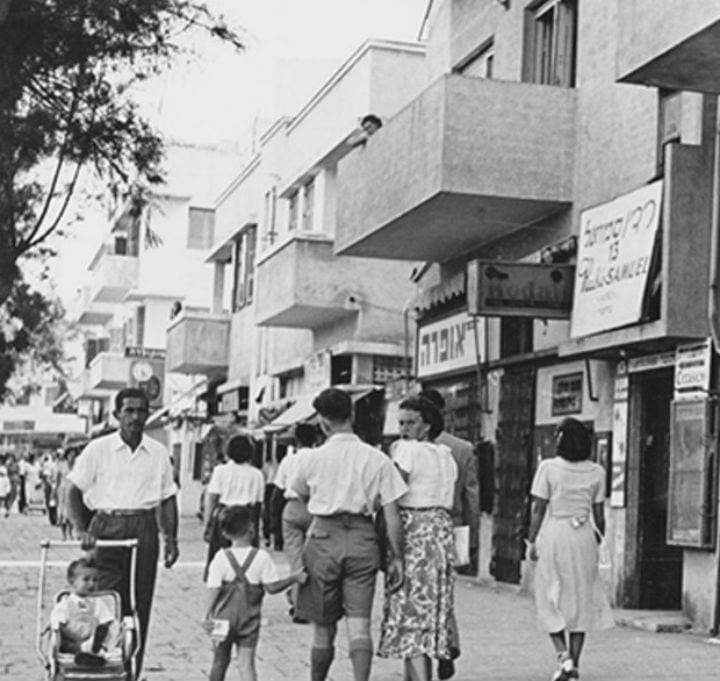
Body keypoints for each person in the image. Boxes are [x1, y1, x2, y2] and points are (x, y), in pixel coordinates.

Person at [288, 387, 407, 681]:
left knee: (323, 627)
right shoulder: (377, 458)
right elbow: (392, 515)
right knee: (360, 625)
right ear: (352, 415)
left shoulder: (309, 459)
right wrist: (397, 558)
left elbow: (299, 495)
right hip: (363, 539)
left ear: (323, 422)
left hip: (323, 539)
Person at [66, 386, 179, 676]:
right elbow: (73, 491)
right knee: (105, 601)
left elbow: (167, 499)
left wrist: (172, 539)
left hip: (143, 528)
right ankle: (100, 666)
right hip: (106, 528)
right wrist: (82, 530)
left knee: (139, 604)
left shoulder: (158, 453)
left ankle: (131, 671)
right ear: (117, 415)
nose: (135, 416)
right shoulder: (98, 449)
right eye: (128, 410)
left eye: (141, 410)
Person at [526, 417, 613, 681]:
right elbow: (600, 515)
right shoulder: (597, 471)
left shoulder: (548, 468)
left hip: (555, 533)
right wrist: (596, 540)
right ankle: (575, 665)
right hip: (584, 535)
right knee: (580, 601)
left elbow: (538, 508)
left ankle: (562, 656)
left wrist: (531, 542)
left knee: (549, 595)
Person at [378, 395, 458, 681]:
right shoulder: (445, 455)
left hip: (414, 532)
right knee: (431, 611)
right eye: (401, 422)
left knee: (409, 612)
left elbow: (391, 493)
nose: (404, 429)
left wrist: (394, 552)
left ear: (427, 425)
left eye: (410, 422)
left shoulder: (406, 451)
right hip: (440, 531)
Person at [203, 505, 306, 681]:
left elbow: (214, 589)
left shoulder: (220, 557)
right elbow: (272, 587)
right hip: (249, 619)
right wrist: (294, 578)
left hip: (222, 619)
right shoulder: (261, 558)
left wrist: (206, 615)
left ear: (225, 534)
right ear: (251, 528)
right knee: (247, 664)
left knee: (219, 662)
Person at [419, 389, 481, 678]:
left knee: (418, 593)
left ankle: (426, 650)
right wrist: (473, 537)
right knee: (444, 592)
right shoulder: (463, 448)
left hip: (416, 528)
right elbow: (472, 496)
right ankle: (448, 643)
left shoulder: (409, 447)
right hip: (452, 526)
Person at [203, 434, 265, 581]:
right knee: (246, 560)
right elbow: (258, 505)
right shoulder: (257, 474)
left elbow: (211, 499)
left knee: (221, 558)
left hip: (224, 517)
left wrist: (207, 524)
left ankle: (218, 587)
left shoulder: (220, 471)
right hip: (246, 518)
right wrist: (257, 531)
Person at [272, 422, 318, 622]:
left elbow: (277, 491)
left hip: (292, 508)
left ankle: (298, 604)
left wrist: (272, 523)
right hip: (316, 509)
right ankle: (310, 603)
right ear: (316, 439)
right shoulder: (320, 458)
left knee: (296, 560)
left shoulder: (289, 460)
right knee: (315, 559)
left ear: (296, 441)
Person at [50, 556, 117, 666]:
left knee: (103, 635)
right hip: (72, 640)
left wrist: (106, 629)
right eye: (86, 579)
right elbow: (57, 620)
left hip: (91, 637)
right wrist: (58, 626)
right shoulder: (66, 603)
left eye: (95, 580)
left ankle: (94, 652)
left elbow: (107, 620)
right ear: (72, 581)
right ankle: (88, 653)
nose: (91, 584)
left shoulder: (97, 603)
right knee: (65, 644)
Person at [56, 447, 80, 540]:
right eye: (70, 455)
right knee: (63, 512)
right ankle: (63, 534)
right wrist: (55, 491)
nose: (72, 457)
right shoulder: (62, 465)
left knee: (71, 512)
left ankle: (70, 532)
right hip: (63, 489)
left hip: (72, 489)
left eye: (74, 455)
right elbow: (58, 478)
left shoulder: (77, 466)